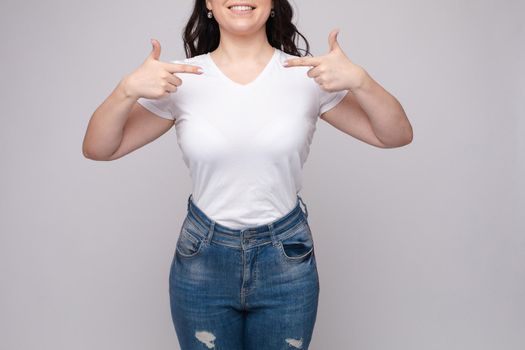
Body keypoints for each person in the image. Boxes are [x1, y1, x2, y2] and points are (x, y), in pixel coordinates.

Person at [82, 1, 413, 349]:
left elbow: (395, 135)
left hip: (286, 260)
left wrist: (361, 81)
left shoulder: (307, 75)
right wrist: (126, 90)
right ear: (208, 3)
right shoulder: (181, 78)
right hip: (202, 261)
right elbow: (99, 148)